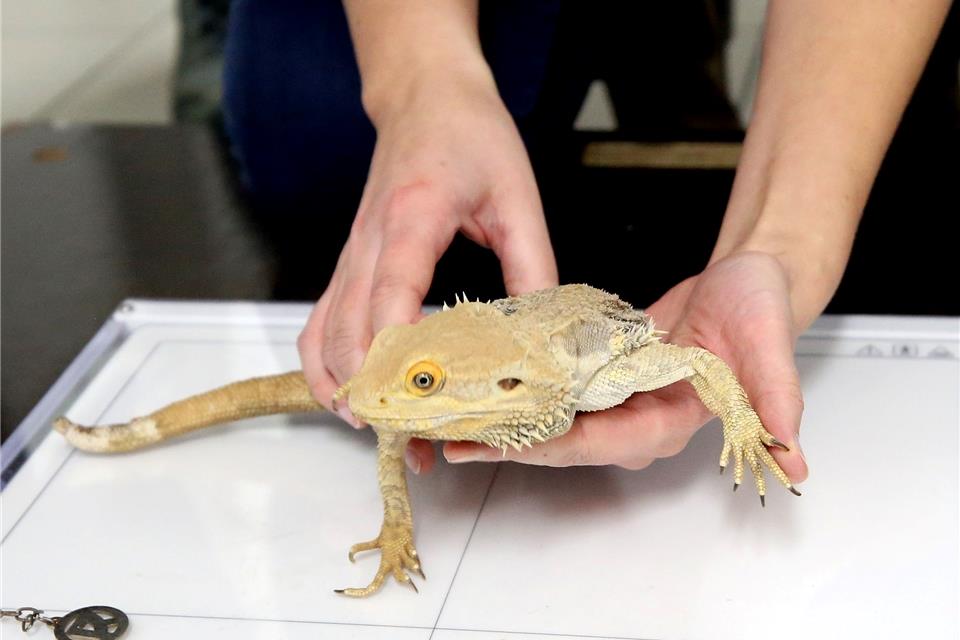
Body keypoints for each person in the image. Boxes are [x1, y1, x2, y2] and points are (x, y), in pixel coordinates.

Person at [223, 1, 952, 482]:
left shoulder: (608, 376)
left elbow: (695, 359)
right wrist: (421, 83)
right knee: (317, 140)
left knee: (680, 91)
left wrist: (780, 240)